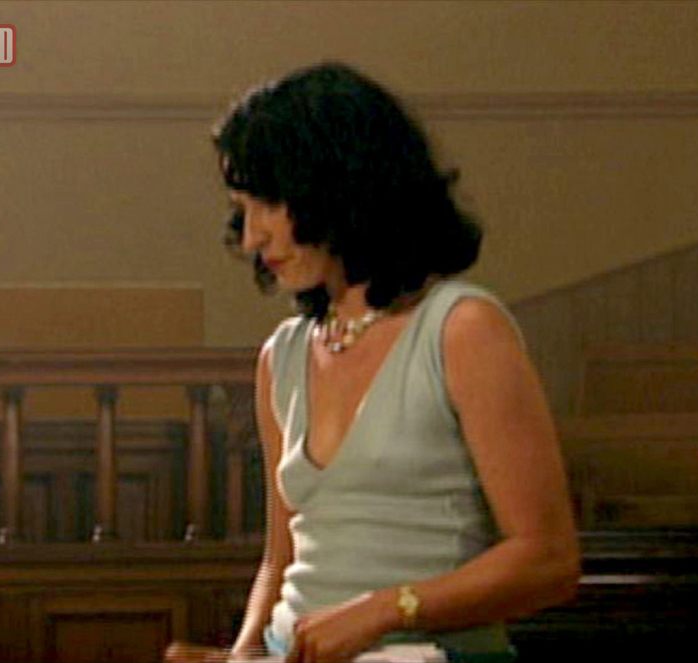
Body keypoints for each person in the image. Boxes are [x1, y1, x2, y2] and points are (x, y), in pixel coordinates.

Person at [169, 62, 580, 663]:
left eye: (269, 203)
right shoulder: (281, 355)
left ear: (340, 186)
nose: (252, 237)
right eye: (242, 208)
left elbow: (548, 560)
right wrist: (243, 654)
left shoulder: (462, 330)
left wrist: (385, 609)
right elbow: (281, 561)